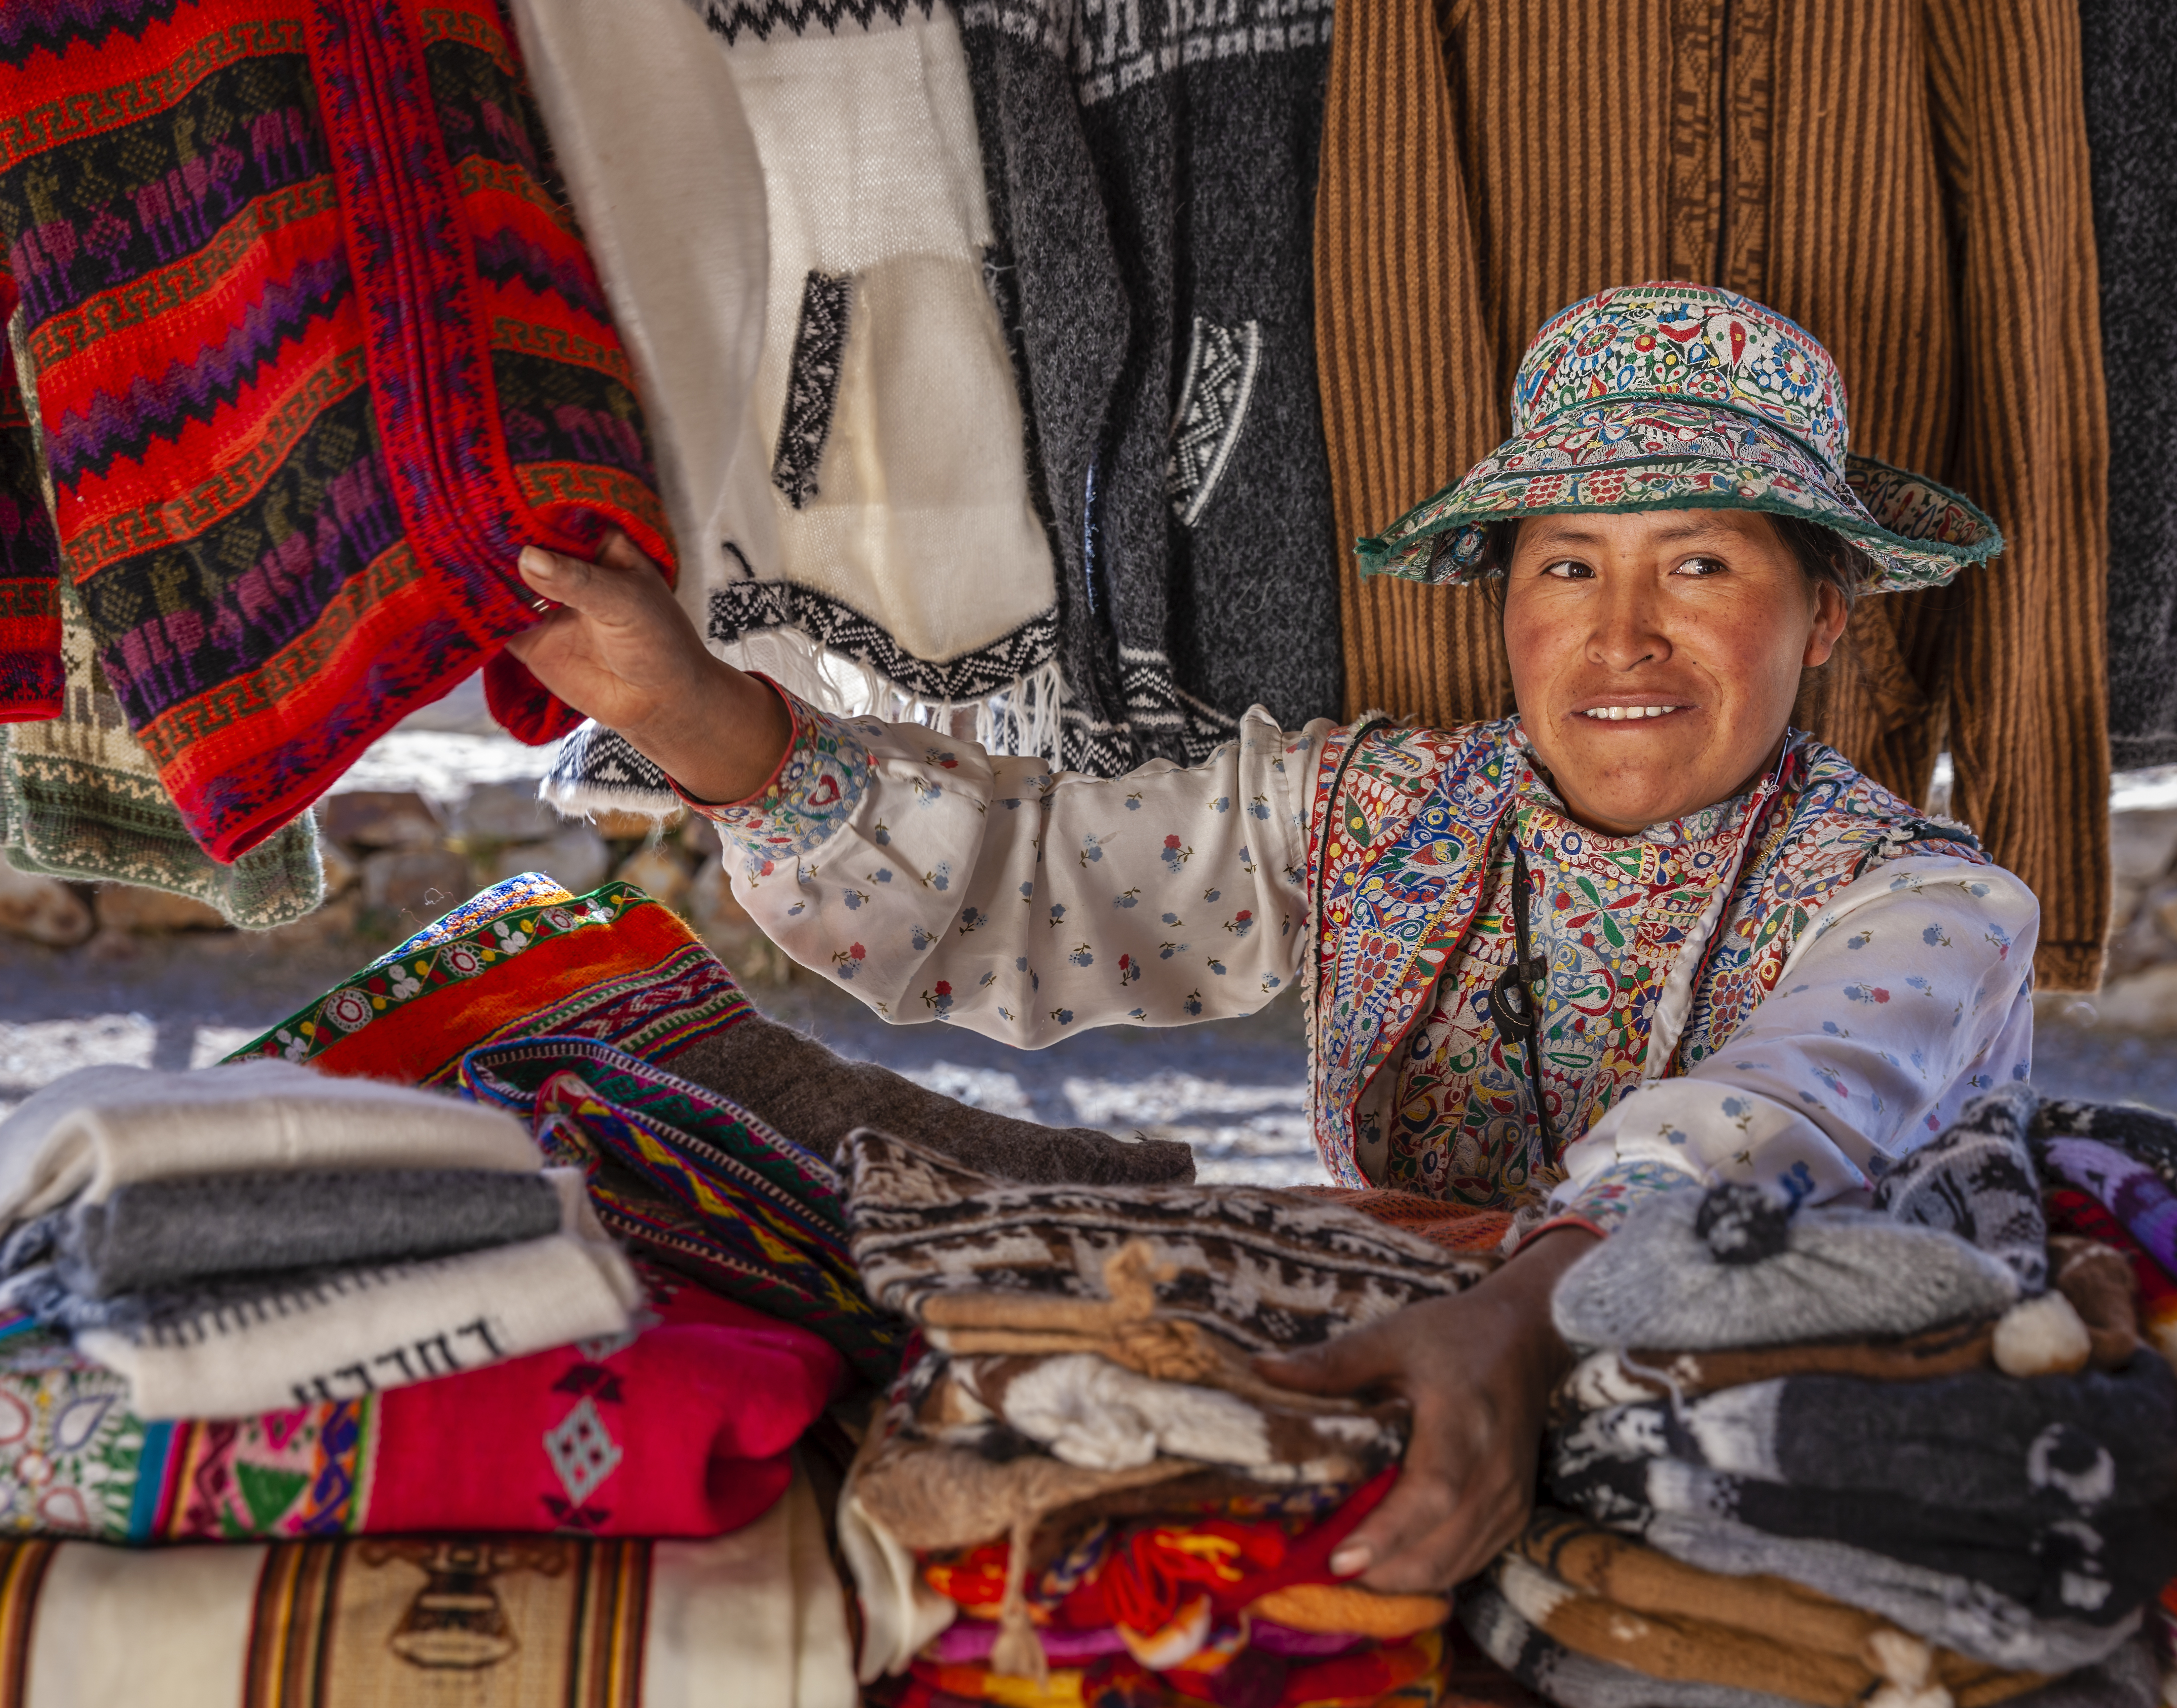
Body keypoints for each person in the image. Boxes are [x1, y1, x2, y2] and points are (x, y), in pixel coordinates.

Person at [504, 280, 2037, 1595]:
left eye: (1700, 564)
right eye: (1568, 563)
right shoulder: (1373, 810)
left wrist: (1514, 1329)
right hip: (1404, 1408)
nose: (1622, 635)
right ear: (1505, 601)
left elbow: (1779, 1110)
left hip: (1771, 1464)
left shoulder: (1925, 905)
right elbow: (1024, 884)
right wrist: (687, 710)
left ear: (1827, 612)